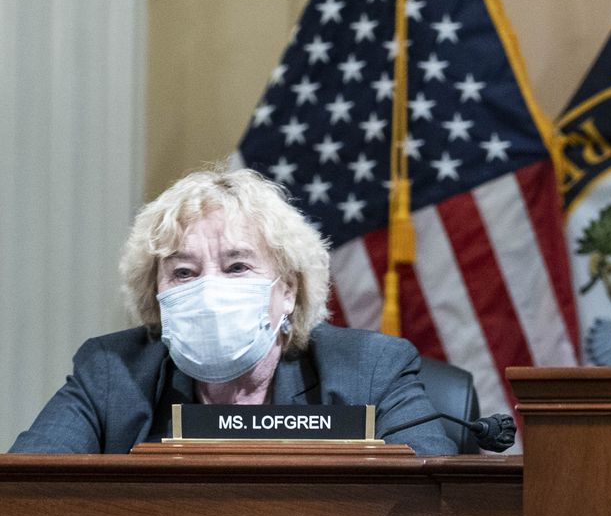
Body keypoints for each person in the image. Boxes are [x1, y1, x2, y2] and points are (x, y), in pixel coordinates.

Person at [11, 167, 458, 455]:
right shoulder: (111, 374)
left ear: (287, 289)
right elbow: (26, 493)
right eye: (183, 273)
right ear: (156, 296)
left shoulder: (371, 371)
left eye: (237, 266)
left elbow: (434, 503)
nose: (209, 291)